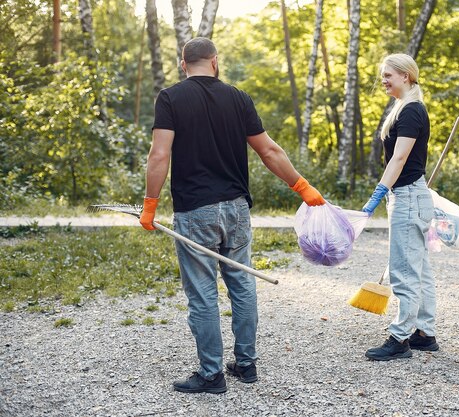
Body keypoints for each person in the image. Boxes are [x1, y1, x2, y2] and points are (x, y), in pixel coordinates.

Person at [139, 37, 325, 393]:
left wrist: (150, 204)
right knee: (241, 284)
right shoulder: (238, 98)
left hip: (195, 210)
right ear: (215, 61)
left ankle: (212, 375)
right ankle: (246, 364)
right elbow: (269, 151)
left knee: (203, 293)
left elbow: (159, 156)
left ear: (183, 65)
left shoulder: (170, 98)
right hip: (237, 208)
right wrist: (301, 186)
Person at [361, 53, 438, 361]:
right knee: (419, 268)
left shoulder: (411, 111)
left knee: (403, 270)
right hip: (410, 194)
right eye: (383, 75)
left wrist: (378, 192)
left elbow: (399, 157)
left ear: (406, 76)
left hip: (407, 196)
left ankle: (400, 337)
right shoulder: (405, 108)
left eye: (388, 75)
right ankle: (424, 332)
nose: (384, 80)